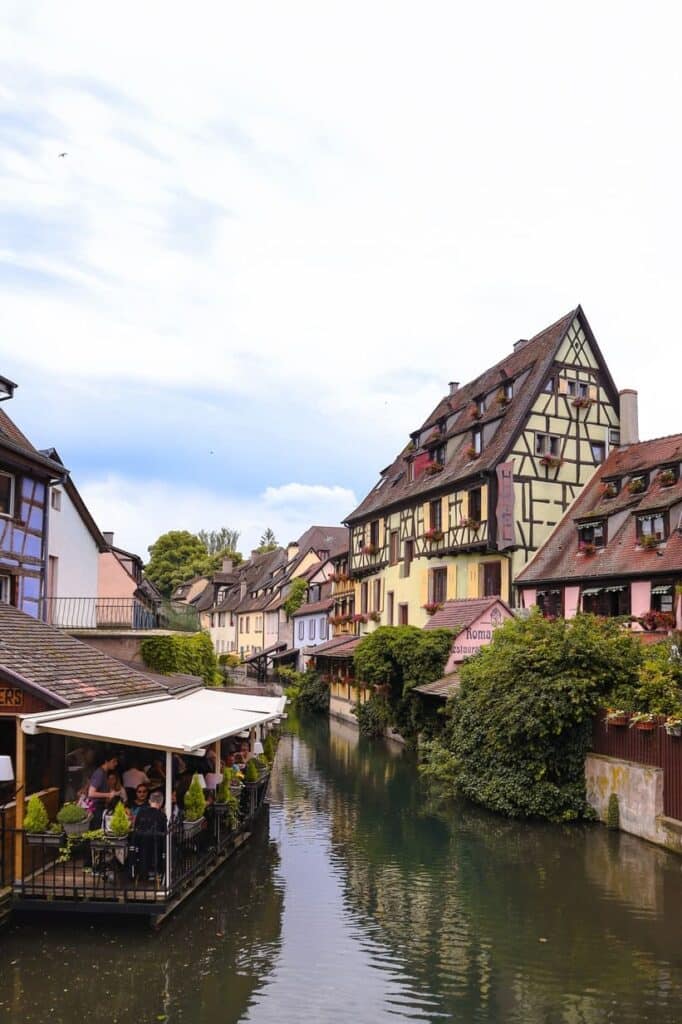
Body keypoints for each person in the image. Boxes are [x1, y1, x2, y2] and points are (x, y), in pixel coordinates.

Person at [133, 791, 167, 881]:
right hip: (156, 850)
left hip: (141, 848)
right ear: (161, 803)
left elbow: (135, 827)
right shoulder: (162, 816)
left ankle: (140, 873)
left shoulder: (141, 813)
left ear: (149, 801)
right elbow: (165, 832)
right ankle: (158, 872)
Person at [87, 752, 119, 829]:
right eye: (113, 761)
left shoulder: (104, 773)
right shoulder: (100, 773)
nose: (116, 764)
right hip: (96, 808)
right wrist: (109, 794)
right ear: (106, 761)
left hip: (100, 807)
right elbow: (91, 793)